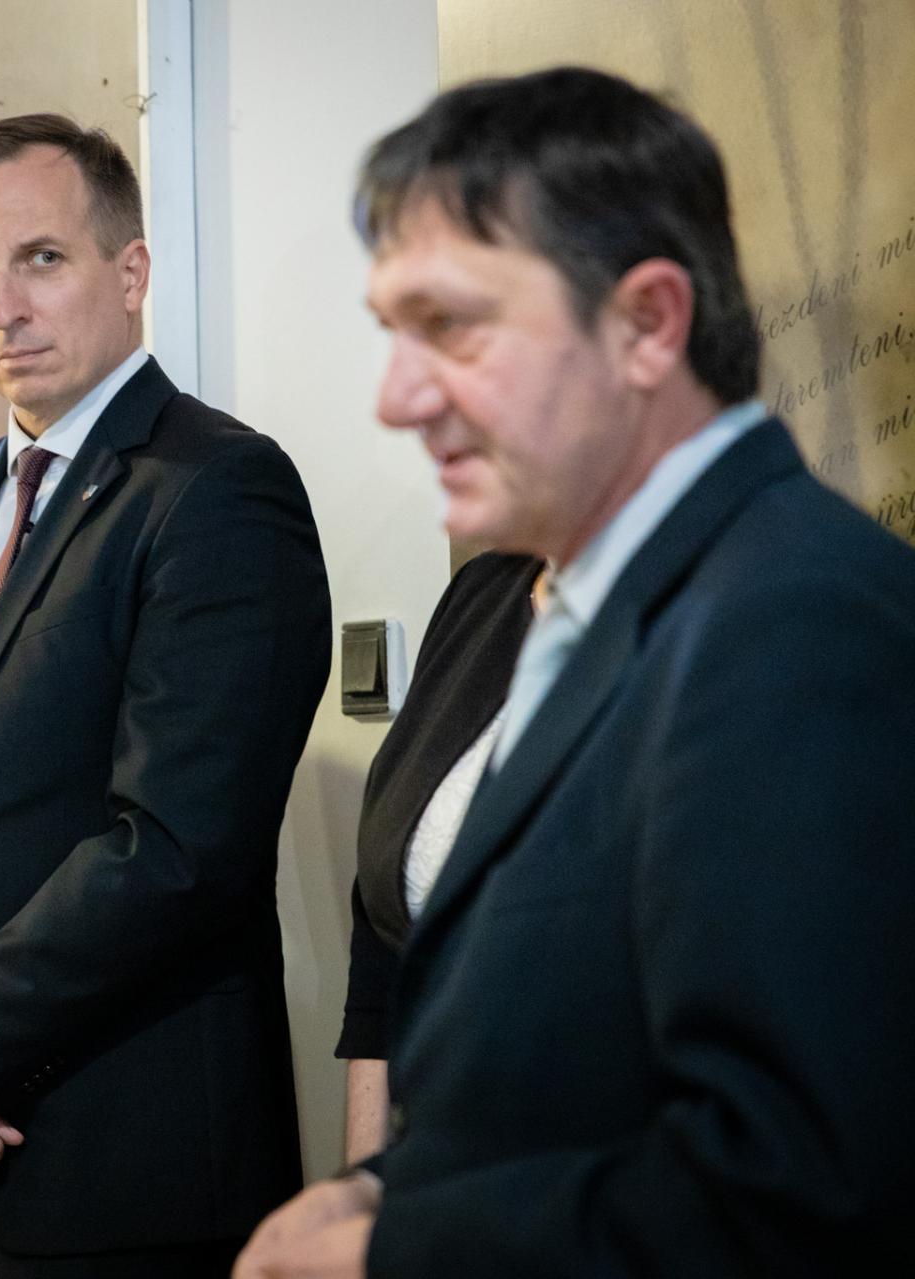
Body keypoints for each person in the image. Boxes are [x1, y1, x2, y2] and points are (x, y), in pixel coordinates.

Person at [236, 66, 915, 1278]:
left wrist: (393, 1248)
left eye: (452, 326)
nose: (396, 397)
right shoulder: (571, 598)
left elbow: (796, 1191)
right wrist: (375, 1186)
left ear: (647, 323)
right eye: (392, 332)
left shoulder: (793, 622)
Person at [0, 113, 331, 1277]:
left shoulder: (218, 490)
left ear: (130, 274)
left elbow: (179, 847)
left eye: (41, 259)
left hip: (112, 1180)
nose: (5, 307)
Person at [335, 551, 540, 1163]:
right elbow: (383, 924)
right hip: (433, 1160)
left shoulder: (713, 605)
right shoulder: (483, 591)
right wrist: (363, 1178)